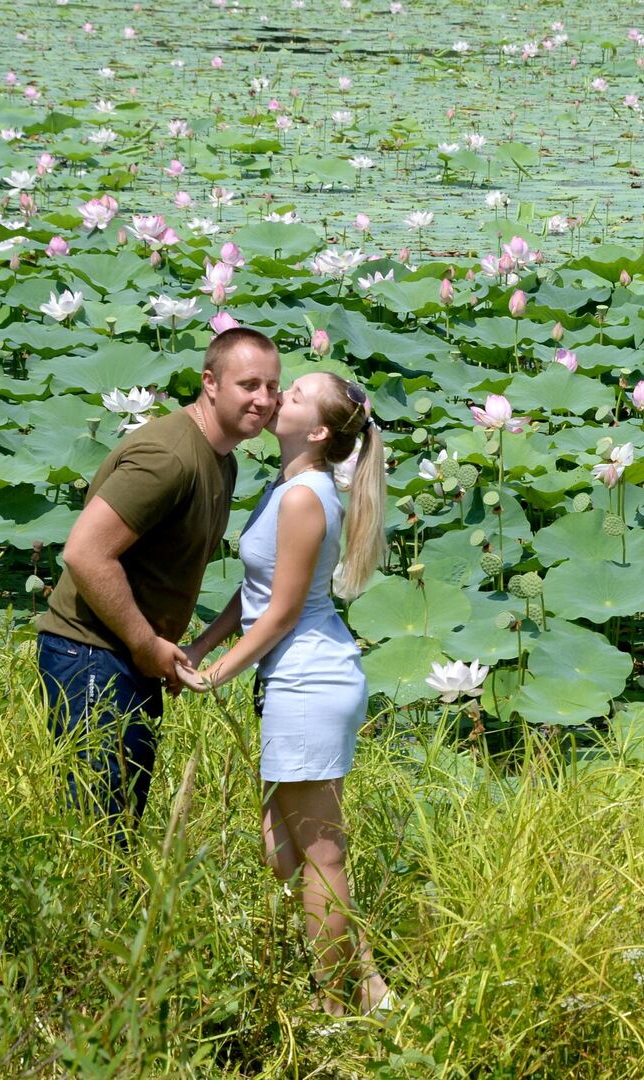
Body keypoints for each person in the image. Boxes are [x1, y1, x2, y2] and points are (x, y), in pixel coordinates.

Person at [181, 371, 390, 1016]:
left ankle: (335, 1015)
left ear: (320, 431)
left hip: (307, 681)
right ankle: (372, 987)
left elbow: (282, 613)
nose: (277, 398)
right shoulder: (286, 485)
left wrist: (218, 674)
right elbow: (256, 593)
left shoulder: (303, 497)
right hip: (298, 678)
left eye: (294, 395)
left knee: (322, 859)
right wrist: (201, 645)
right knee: (283, 851)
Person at [35, 328, 280, 840]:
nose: (264, 400)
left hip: (130, 654)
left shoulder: (222, 459)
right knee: (96, 831)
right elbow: (84, 552)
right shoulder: (169, 458)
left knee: (118, 822)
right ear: (209, 382)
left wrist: (164, 647)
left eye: (273, 388)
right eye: (249, 384)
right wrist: (146, 643)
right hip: (93, 652)